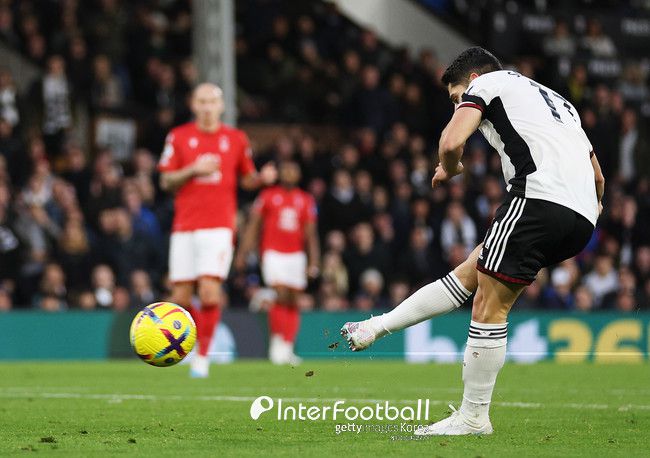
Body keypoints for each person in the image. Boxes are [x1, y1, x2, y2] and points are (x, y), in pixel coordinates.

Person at [341, 47, 604, 435]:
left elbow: (450, 143)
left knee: (488, 304)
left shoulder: (488, 84)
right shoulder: (560, 103)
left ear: (474, 79)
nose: (457, 106)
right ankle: (375, 327)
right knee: (473, 271)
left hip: (539, 198)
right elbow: (598, 177)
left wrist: (450, 169)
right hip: (582, 220)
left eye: (456, 97)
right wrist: (594, 208)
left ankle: (473, 417)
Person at [158, 83, 276, 378]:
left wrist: (261, 178)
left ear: (221, 106)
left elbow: (246, 178)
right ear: (193, 104)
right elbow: (165, 181)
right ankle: (193, 345)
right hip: (185, 225)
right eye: (202, 101)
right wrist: (193, 170)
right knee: (180, 297)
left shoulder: (235, 139)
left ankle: (203, 356)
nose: (207, 107)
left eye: (212, 101)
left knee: (209, 290)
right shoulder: (178, 136)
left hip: (218, 226)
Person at [235, 160, 319, 365]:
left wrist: (314, 261)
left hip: (296, 255)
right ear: (280, 174)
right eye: (286, 169)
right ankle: (277, 343)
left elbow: (310, 234)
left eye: (293, 170)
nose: (289, 173)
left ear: (299, 175)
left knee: (293, 299)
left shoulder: (305, 200)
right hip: (273, 252)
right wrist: (242, 253)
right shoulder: (267, 196)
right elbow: (254, 226)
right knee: (280, 294)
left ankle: (287, 346)